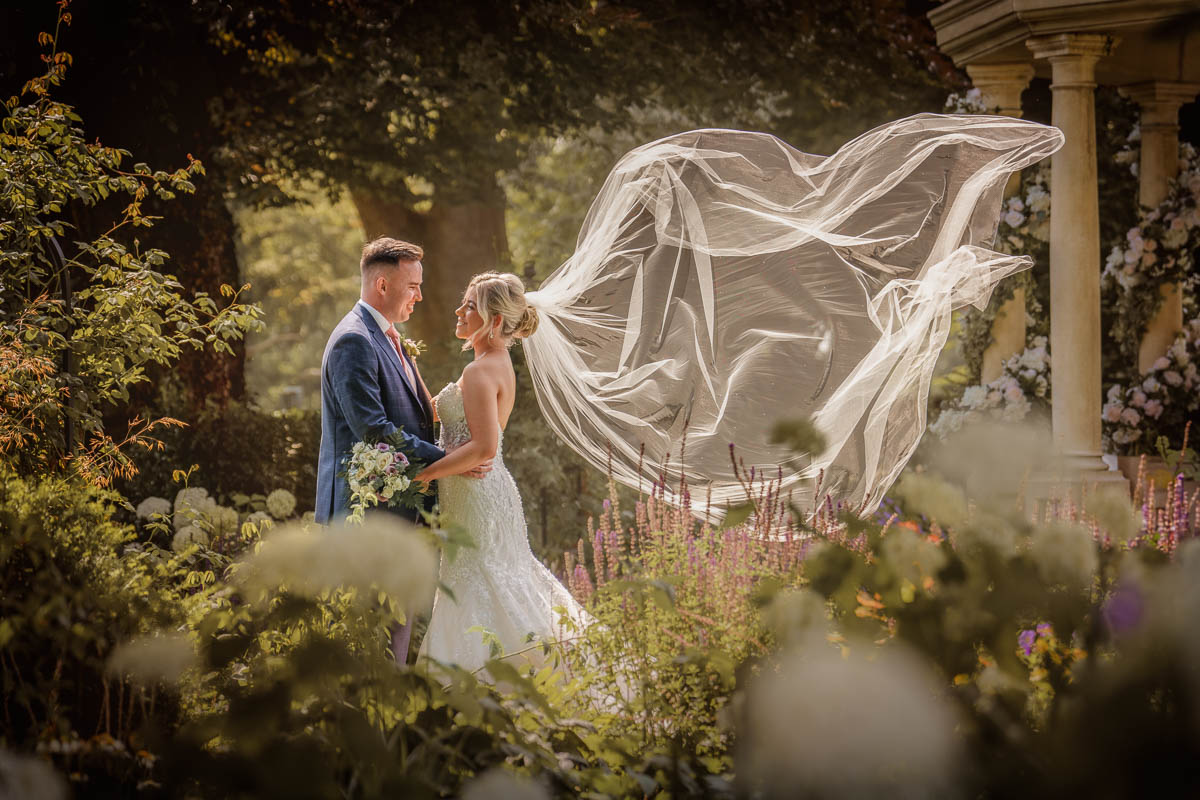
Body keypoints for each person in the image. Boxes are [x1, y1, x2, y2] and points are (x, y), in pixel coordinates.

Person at [315, 237, 491, 662]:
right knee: (367, 646)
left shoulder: (389, 338)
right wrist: (447, 463)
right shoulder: (353, 342)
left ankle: (387, 723)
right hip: (364, 519)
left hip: (395, 515)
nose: (420, 295)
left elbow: (414, 417)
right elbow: (374, 430)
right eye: (412, 285)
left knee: (393, 637)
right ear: (381, 285)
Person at [415, 272, 589, 672]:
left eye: (470, 306)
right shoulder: (493, 363)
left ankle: (483, 675)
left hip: (476, 496)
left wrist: (422, 476)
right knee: (498, 579)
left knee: (482, 582)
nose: (460, 311)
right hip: (483, 493)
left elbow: (484, 447)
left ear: (494, 320)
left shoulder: (480, 371)